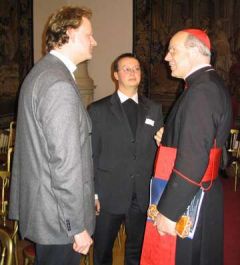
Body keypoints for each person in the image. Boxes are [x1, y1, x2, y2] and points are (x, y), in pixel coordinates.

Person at [9, 6, 97, 265]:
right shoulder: (58, 83)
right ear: (69, 34)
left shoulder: (41, 73)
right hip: (59, 221)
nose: (95, 41)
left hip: (46, 209)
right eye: (89, 35)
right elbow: (65, 163)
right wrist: (75, 225)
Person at [152, 29, 232, 264]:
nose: (166, 57)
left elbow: (195, 159)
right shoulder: (208, 83)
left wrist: (168, 212)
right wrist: (170, 140)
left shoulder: (201, 92)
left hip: (191, 196)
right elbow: (211, 146)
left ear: (195, 51)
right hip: (203, 189)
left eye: (173, 50)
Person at [88, 53, 163, 265]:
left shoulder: (154, 109)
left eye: (137, 68)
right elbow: (91, 154)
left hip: (141, 195)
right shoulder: (98, 110)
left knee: (137, 251)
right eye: (126, 69)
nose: (133, 72)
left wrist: (164, 143)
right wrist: (92, 193)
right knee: (102, 251)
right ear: (115, 75)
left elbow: (159, 151)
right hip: (108, 194)